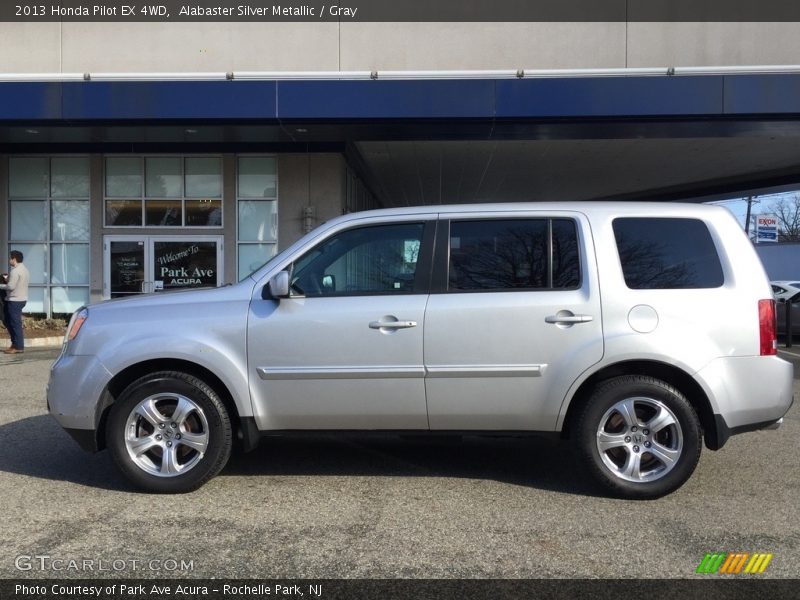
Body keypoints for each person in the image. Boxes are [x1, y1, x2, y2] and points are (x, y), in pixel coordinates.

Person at [0, 250, 30, 354]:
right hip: (21, 299)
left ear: (14, 259)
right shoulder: (25, 270)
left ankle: (18, 346)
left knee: (14, 324)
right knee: (9, 321)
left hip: (15, 300)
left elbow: (10, 287)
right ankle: (14, 344)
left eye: (10, 258)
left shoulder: (15, 271)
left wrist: (1, 285)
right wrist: (8, 279)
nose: (9, 260)